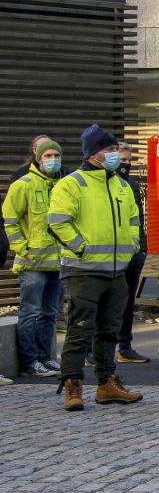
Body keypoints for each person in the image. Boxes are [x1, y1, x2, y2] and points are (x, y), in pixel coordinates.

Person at [45, 125, 143, 412]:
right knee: (80, 329)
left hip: (116, 271)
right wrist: (82, 248)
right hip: (84, 270)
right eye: (109, 150)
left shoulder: (121, 185)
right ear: (93, 154)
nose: (115, 155)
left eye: (115, 150)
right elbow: (57, 222)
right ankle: (73, 385)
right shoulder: (71, 184)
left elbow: (134, 221)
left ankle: (106, 383)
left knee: (110, 330)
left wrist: (133, 247)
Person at [4, 136, 65, 377]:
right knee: (30, 311)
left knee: (50, 313)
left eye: (56, 156)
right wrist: (21, 247)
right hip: (32, 263)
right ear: (37, 158)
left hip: (58, 262)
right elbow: (10, 219)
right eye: (47, 156)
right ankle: (30, 362)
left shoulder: (64, 184)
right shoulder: (24, 184)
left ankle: (44, 357)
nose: (52, 160)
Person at [112, 156, 149, 368]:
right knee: (104, 306)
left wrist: (141, 248)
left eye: (127, 158)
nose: (125, 164)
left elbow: (137, 220)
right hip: (108, 257)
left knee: (127, 303)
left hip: (133, 252)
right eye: (120, 159)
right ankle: (89, 351)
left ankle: (124, 347)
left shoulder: (130, 186)